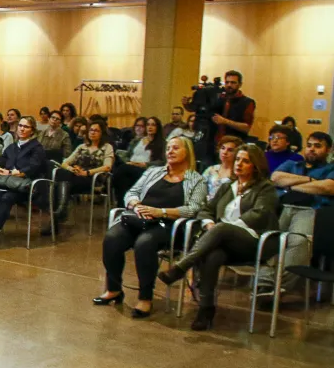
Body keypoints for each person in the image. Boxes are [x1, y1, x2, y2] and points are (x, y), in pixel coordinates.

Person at [158, 144, 279, 331]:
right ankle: (205, 309)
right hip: (222, 240)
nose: (239, 164)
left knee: (222, 228)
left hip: (254, 241)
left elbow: (259, 214)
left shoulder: (266, 188)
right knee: (213, 256)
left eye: (245, 161)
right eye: (238, 159)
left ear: (255, 166)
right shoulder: (227, 187)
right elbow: (206, 209)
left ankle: (182, 266)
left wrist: (223, 228)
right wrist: (209, 224)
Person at [96, 136, 207, 317]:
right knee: (112, 238)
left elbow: (193, 209)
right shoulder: (153, 171)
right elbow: (132, 192)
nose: (170, 151)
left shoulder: (196, 180)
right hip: (140, 219)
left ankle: (145, 298)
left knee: (144, 244)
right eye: (168, 148)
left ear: (187, 152)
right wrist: (135, 205)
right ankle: (114, 289)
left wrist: (161, 211)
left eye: (176, 148)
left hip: (169, 225)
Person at [256, 131, 334, 296]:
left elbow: (327, 187)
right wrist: (311, 181)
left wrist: (290, 185)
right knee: (271, 240)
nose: (312, 149)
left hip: (311, 211)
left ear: (328, 150)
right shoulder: (293, 164)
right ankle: (263, 284)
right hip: (282, 208)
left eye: (318, 146)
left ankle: (279, 288)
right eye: (310, 145)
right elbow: (276, 178)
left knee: (297, 241)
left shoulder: (330, 168)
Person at [0, 116, 48, 246]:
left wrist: (11, 172)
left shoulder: (37, 147)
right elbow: (1, 161)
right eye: (20, 126)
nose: (21, 129)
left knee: (7, 197)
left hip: (25, 185)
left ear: (32, 130)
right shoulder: (12, 147)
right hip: (7, 182)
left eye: (26, 126)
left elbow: (32, 168)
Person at [48, 118, 114, 235]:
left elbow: (107, 167)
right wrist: (72, 169)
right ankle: (59, 214)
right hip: (76, 177)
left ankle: (58, 216)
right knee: (61, 174)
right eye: (91, 130)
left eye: (96, 131)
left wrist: (87, 172)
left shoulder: (107, 147)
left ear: (102, 133)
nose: (92, 132)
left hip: (94, 179)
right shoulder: (82, 147)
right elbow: (65, 163)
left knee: (61, 183)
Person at [185, 69, 254, 144]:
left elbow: (246, 128)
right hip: (213, 142)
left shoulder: (247, 102)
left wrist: (225, 121)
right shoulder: (219, 98)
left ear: (240, 84)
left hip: (235, 143)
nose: (229, 85)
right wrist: (187, 104)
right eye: (227, 82)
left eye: (233, 83)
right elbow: (199, 111)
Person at [112, 116, 165, 202]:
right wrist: (128, 161)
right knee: (121, 172)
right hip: (130, 167)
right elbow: (128, 155)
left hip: (146, 170)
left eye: (153, 125)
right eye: (148, 125)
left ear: (157, 128)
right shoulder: (137, 141)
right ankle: (123, 204)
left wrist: (144, 164)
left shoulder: (162, 143)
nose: (150, 127)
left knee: (122, 170)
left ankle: (118, 199)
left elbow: (162, 162)